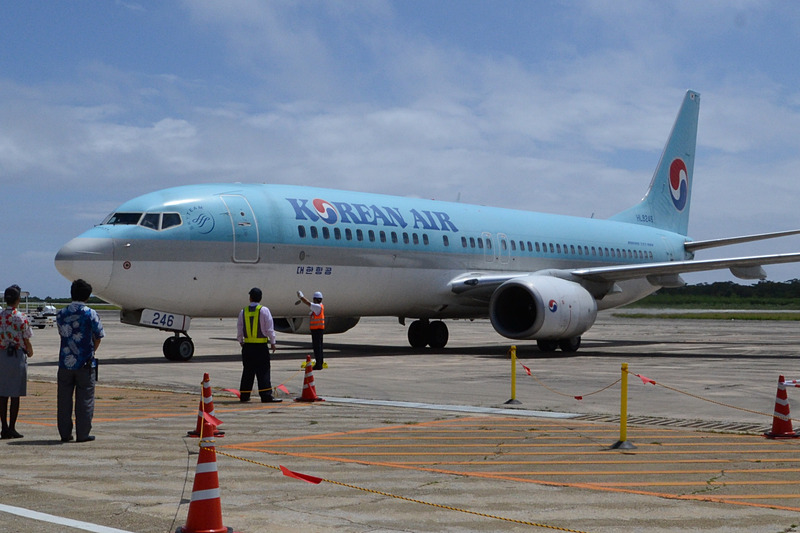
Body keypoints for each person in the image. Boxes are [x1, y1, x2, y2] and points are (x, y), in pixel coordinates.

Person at [56, 279, 104, 443]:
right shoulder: (90, 313)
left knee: (64, 400)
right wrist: (90, 351)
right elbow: (98, 337)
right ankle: (83, 434)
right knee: (85, 400)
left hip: (65, 362)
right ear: (88, 296)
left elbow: (62, 334)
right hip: (85, 363)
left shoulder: (61, 313)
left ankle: (64, 433)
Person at [237, 287, 281, 403]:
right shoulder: (264, 310)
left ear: (250, 298)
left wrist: (240, 340)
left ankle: (244, 395)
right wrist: (273, 342)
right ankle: (266, 395)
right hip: (261, 347)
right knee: (263, 371)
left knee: (247, 371)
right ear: (260, 298)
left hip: (247, 347)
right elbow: (269, 328)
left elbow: (240, 328)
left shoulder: (243, 311)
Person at [0, 285, 33, 439]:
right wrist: (30, 351)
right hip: (16, 356)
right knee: (15, 394)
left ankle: (4, 427)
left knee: (2, 394)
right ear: (18, 299)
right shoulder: (21, 317)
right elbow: (26, 337)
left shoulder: (0, 316)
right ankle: (12, 427)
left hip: (1, 355)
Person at [297, 290, 325, 370]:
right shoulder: (320, 306)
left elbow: (307, 303)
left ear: (315, 299)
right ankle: (320, 363)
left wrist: (301, 297)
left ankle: (318, 365)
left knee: (317, 348)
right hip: (319, 329)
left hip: (316, 330)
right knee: (319, 347)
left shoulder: (317, 307)